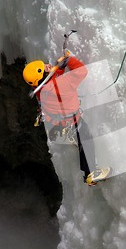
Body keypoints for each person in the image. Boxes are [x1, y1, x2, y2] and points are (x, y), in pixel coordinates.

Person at [22, 52, 109, 186]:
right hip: (73, 121)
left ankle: (66, 134)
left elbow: (54, 81)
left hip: (56, 122)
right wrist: (69, 61)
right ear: (42, 75)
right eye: (45, 67)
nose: (47, 66)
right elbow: (81, 71)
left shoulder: (39, 88)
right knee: (86, 141)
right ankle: (90, 173)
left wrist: (59, 67)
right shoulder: (62, 84)